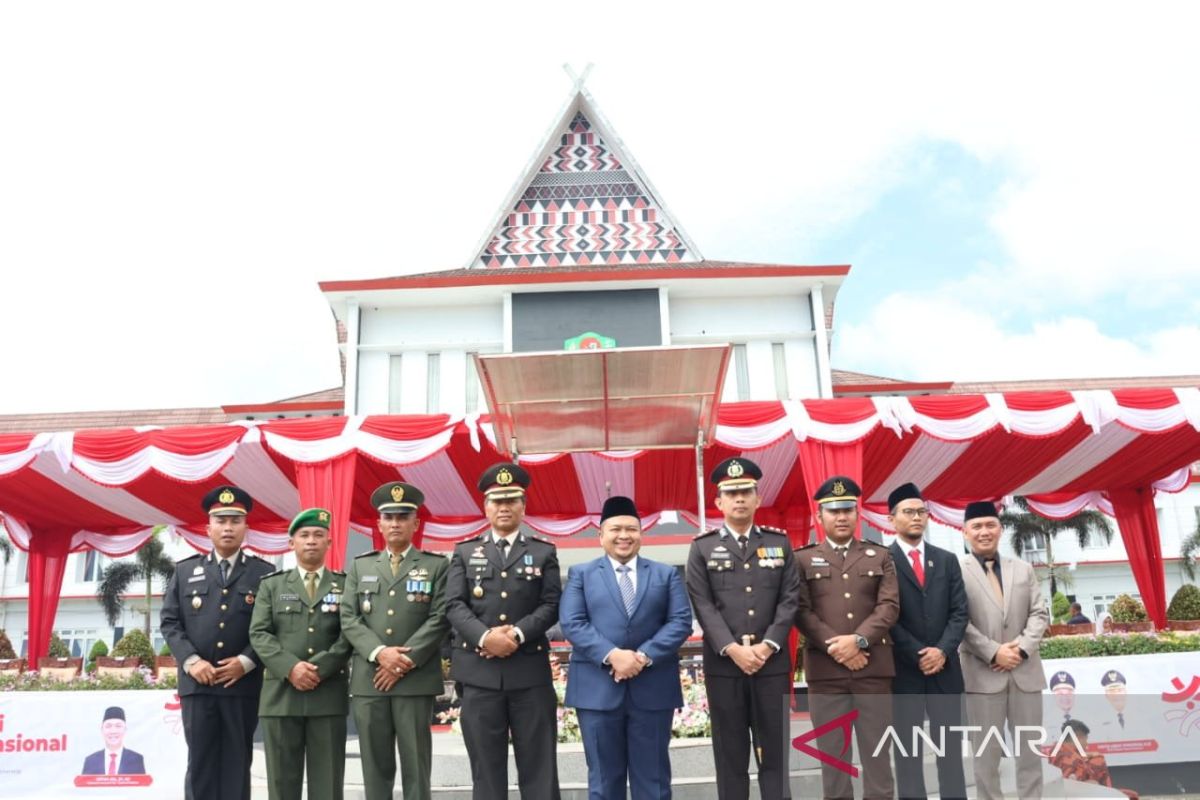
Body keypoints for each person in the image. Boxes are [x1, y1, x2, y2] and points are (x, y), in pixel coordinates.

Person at [559, 495, 694, 799]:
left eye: (631, 529)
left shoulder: (666, 574)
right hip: (597, 692)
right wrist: (613, 656)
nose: (624, 536)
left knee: (654, 780)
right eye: (616, 529)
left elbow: (680, 622)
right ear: (601, 535)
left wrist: (643, 657)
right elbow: (572, 622)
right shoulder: (581, 574)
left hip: (653, 689)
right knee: (604, 782)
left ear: (641, 534)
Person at [445, 463, 562, 799]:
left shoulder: (543, 551)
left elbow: (552, 603)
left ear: (523, 506)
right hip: (480, 676)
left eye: (512, 500)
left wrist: (516, 635)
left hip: (528, 673)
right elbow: (453, 604)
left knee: (539, 768)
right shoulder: (465, 552)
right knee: (486, 770)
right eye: (497, 501)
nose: (504, 507)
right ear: (486, 507)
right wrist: (485, 637)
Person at [685, 457, 800, 800]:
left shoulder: (779, 544)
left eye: (745, 491)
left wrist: (766, 647)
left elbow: (790, 599)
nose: (739, 498)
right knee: (730, 755)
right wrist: (733, 649)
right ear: (718, 501)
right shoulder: (702, 547)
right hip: (725, 667)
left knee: (775, 754)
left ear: (757, 498)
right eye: (731, 493)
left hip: (771, 665)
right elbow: (702, 604)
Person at [160, 485, 275, 800]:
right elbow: (170, 622)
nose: (228, 527)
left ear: (245, 528)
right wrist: (192, 661)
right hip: (198, 686)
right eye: (221, 521)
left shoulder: (264, 574)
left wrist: (247, 661)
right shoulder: (185, 571)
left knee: (238, 763)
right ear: (208, 528)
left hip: (241, 686)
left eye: (235, 521)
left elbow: (271, 627)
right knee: (201, 763)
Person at [341, 482, 450, 800]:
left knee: (416, 765)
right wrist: (379, 653)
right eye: (388, 517)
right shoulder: (361, 566)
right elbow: (348, 617)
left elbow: (439, 617)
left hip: (414, 679)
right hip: (369, 679)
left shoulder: (436, 566)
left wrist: (402, 661)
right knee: (374, 766)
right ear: (379, 524)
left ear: (416, 524)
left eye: (403, 517)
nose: (395, 524)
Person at [794, 475, 899, 800]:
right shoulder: (802, 558)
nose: (841, 517)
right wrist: (836, 647)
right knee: (833, 762)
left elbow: (889, 606)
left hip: (873, 672)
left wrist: (858, 641)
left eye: (848, 510)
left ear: (857, 514)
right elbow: (800, 610)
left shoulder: (879, 555)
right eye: (833, 511)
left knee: (878, 758)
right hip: (827, 676)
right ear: (820, 516)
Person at [249, 508, 353, 800]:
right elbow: (259, 633)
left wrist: (319, 668)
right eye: (304, 535)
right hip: (281, 697)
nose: (311, 541)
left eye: (319, 535)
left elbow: (350, 634)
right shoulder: (272, 585)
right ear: (291, 543)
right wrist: (291, 668)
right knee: (282, 785)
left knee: (328, 785)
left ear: (329, 543)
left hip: (327, 695)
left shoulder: (345, 586)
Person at [958, 500, 1049, 800]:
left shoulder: (1022, 568)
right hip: (983, 677)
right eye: (977, 527)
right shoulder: (955, 571)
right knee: (986, 759)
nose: (984, 532)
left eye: (990, 525)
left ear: (1000, 529)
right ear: (965, 532)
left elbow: (1040, 613)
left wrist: (1020, 650)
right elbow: (957, 620)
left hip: (1025, 674)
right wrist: (994, 652)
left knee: (1030, 755)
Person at [885, 482, 968, 800]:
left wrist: (942, 651)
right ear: (892, 519)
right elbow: (885, 616)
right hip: (904, 672)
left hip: (945, 671)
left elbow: (960, 612)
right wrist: (918, 652)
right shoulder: (882, 561)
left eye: (921, 511)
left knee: (950, 754)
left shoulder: (946, 560)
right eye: (908, 512)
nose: (916, 517)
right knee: (908, 753)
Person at [1049, 720, 1140, 799]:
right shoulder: (1073, 760)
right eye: (1085, 739)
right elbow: (1074, 785)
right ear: (1078, 737)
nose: (1087, 744)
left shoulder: (1056, 750)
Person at [80, 706, 146, 775]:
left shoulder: (136, 759)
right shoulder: (91, 760)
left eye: (118, 726)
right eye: (108, 726)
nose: (113, 731)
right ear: (102, 730)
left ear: (125, 730)